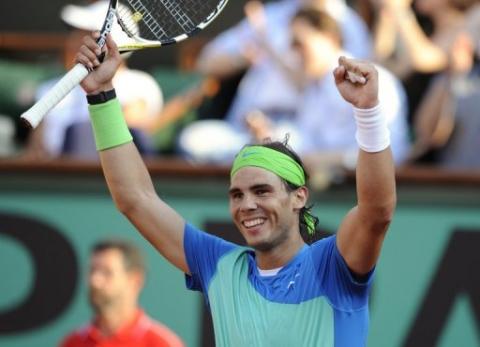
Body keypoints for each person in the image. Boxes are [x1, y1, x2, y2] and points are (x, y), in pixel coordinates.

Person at [76, 30, 396, 346]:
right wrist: (101, 94)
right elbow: (135, 199)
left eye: (262, 191)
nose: (247, 205)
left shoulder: (332, 266)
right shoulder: (220, 265)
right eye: (237, 195)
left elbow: (376, 211)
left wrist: (368, 112)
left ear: (299, 196)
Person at [22, 0, 163, 160]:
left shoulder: (141, 86)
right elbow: (34, 153)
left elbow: (130, 141)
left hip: (106, 176)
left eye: (86, 36)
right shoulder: (49, 89)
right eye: (75, 35)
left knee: (81, 133)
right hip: (59, 179)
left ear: (111, 42)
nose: (73, 43)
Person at [60, 239, 184, 347]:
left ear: (135, 280)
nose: (95, 281)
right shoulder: (73, 342)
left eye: (106, 272)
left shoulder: (162, 343)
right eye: (92, 271)